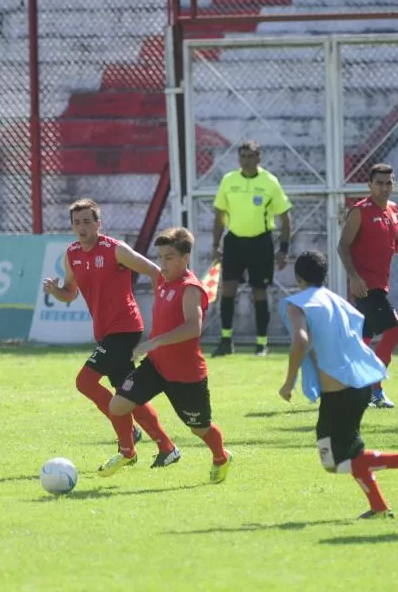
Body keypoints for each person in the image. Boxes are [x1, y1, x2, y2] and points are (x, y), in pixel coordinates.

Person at [278, 250, 398, 519]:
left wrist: (288, 384)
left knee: (334, 462)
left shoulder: (298, 304)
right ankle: (379, 507)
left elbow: (300, 342)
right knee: (348, 455)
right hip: (358, 387)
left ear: (297, 277)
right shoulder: (339, 302)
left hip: (341, 396)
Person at [43, 198, 181, 472]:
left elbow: (154, 271)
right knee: (127, 394)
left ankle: (127, 443)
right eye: (76, 223)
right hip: (105, 332)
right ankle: (167, 447)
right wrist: (55, 291)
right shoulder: (71, 254)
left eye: (87, 222)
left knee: (85, 381)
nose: (81, 227)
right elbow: (70, 292)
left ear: (98, 224)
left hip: (125, 328)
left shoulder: (114, 249)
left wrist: (163, 308)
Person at [106, 227, 233, 483]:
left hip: (186, 376)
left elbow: (193, 328)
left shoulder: (190, 288)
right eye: (160, 257)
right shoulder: (163, 281)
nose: (162, 263)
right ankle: (127, 452)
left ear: (186, 258)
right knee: (117, 405)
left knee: (199, 428)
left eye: (169, 257)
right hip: (155, 367)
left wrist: (155, 342)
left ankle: (221, 457)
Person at [337, 163, 398, 409]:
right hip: (366, 286)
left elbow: (395, 243)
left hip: (380, 285)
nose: (384, 188)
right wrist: (354, 276)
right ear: (370, 185)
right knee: (394, 332)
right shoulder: (360, 211)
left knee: (364, 339)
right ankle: (374, 389)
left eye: (389, 183)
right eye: (379, 183)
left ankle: (349, 387)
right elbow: (343, 246)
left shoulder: (392, 209)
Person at [211, 140, 293, 357]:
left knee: (260, 292)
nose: (247, 160)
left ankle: (261, 343)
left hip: (260, 243)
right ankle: (226, 340)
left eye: (251, 156)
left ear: (259, 158)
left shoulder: (270, 182)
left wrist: (284, 249)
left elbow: (285, 217)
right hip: (234, 242)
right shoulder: (229, 181)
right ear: (239, 159)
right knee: (228, 289)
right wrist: (215, 244)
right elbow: (220, 215)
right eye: (243, 156)